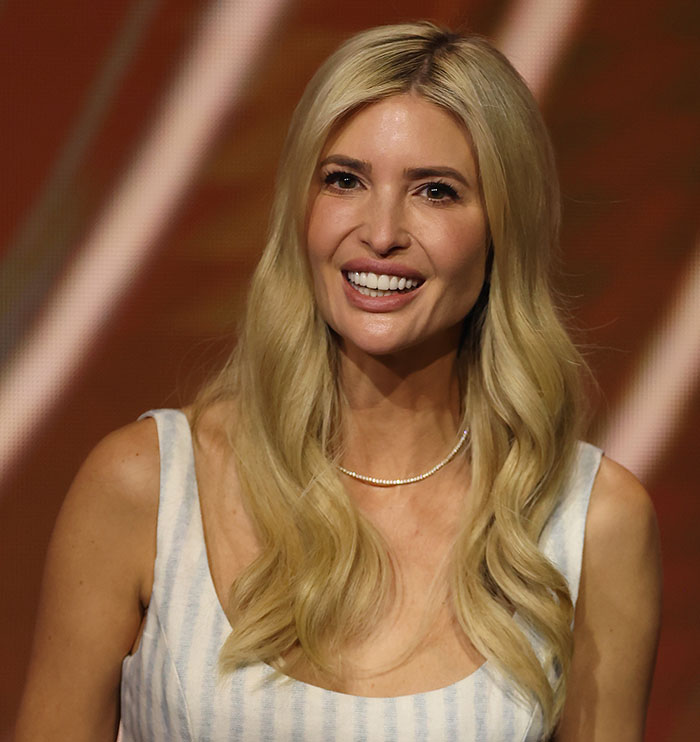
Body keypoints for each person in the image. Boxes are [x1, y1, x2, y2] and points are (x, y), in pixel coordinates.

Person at [15, 22, 661, 741]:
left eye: (436, 192)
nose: (381, 231)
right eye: (345, 180)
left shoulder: (593, 522)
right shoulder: (146, 487)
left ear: (503, 230)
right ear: (302, 208)